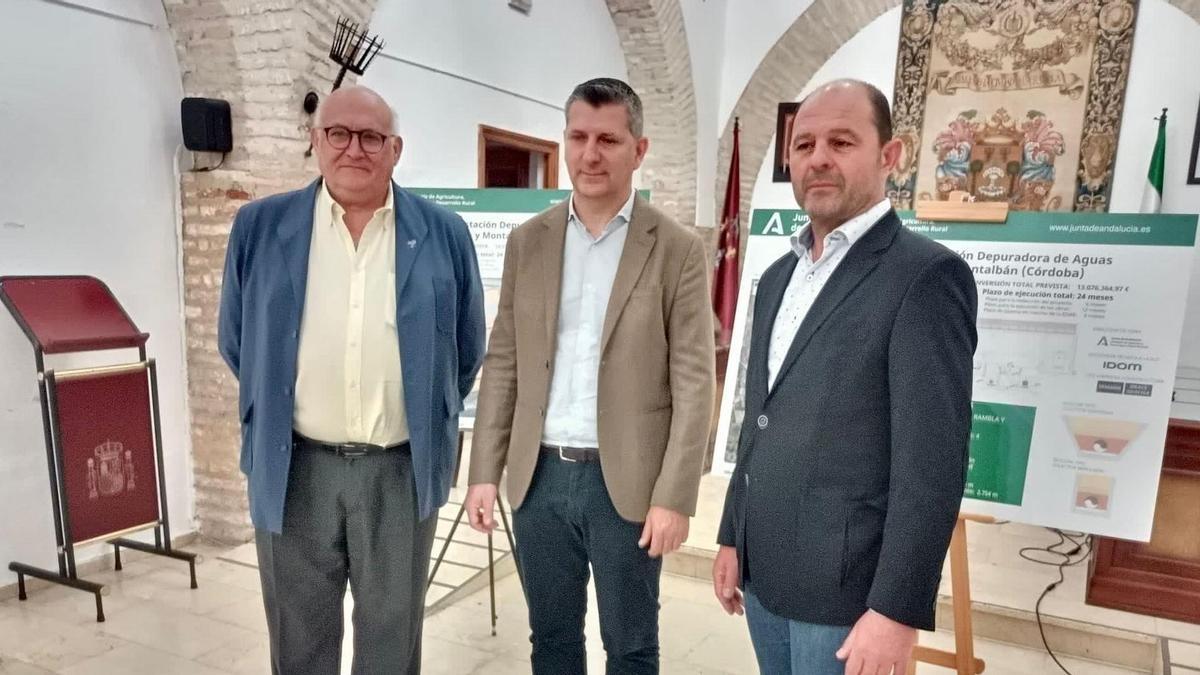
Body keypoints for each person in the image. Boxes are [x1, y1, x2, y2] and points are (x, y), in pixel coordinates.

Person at [712, 79, 978, 675]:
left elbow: (931, 464)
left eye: (841, 141)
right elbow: (760, 419)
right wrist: (733, 535)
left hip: (848, 591)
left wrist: (895, 610)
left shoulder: (926, 277)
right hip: (765, 572)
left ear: (890, 156)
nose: (819, 158)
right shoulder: (778, 275)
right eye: (803, 145)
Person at [217, 85, 486, 674]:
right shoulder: (260, 228)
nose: (354, 149)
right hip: (294, 468)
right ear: (316, 141)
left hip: (400, 469)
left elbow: (466, 352)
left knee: (392, 640)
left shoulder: (444, 234)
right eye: (339, 133)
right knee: (299, 638)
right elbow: (239, 343)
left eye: (371, 137)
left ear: (395, 149)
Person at [464, 77, 715, 674]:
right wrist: (482, 472)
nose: (590, 153)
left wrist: (675, 497)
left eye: (608, 138)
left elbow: (694, 382)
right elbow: (504, 362)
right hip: (539, 477)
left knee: (630, 645)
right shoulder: (530, 241)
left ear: (639, 149)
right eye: (577, 136)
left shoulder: (676, 248)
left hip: (625, 483)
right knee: (551, 639)